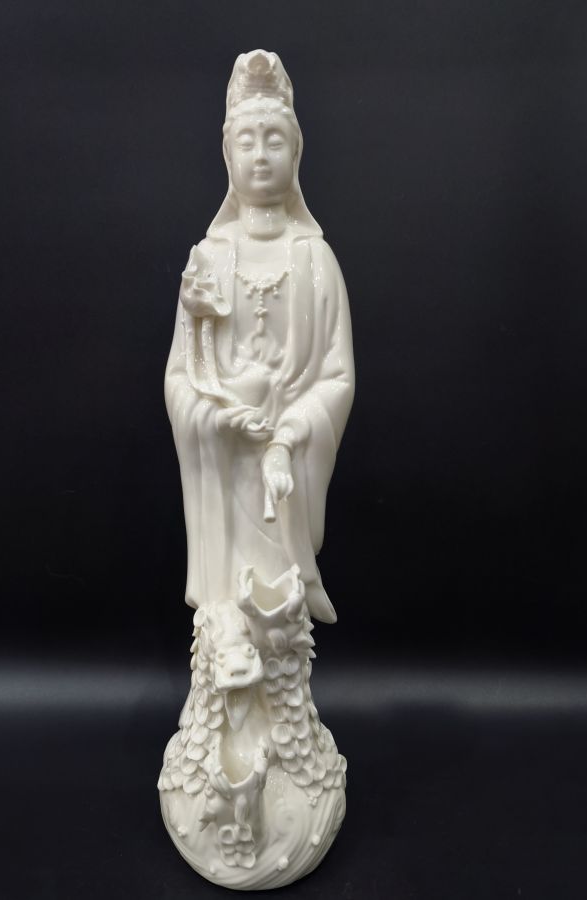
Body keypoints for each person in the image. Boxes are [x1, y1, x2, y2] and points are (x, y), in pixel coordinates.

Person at [165, 50, 354, 624]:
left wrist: (288, 436)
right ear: (227, 155)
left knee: (281, 605)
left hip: (284, 463)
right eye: (246, 142)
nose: (261, 156)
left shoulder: (316, 260)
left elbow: (337, 378)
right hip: (226, 459)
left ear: (296, 153)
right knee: (233, 611)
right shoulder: (208, 260)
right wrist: (215, 418)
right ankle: (226, 637)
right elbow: (180, 377)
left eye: (275, 141)